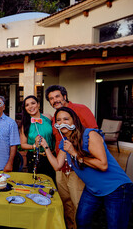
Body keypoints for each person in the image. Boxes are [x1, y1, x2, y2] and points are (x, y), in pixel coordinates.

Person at [42, 107, 133, 229]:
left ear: (74, 121)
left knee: (115, 226)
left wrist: (74, 153)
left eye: (66, 119)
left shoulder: (90, 135)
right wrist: (45, 147)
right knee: (82, 221)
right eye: (58, 120)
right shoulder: (66, 142)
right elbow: (57, 166)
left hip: (116, 188)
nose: (61, 122)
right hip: (93, 189)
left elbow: (103, 165)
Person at [45, 85, 98, 229]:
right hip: (61, 167)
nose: (55, 100)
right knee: (65, 202)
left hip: (77, 166)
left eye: (57, 96)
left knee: (78, 203)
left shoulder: (81, 110)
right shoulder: (55, 118)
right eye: (51, 99)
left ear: (64, 96)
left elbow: (95, 135)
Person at [19, 95, 55, 181]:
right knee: (35, 183)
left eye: (33, 103)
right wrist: (34, 146)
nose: (30, 106)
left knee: (51, 182)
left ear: (38, 104)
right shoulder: (25, 124)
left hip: (51, 156)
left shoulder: (48, 117)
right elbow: (23, 145)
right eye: (27, 105)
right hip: (34, 157)